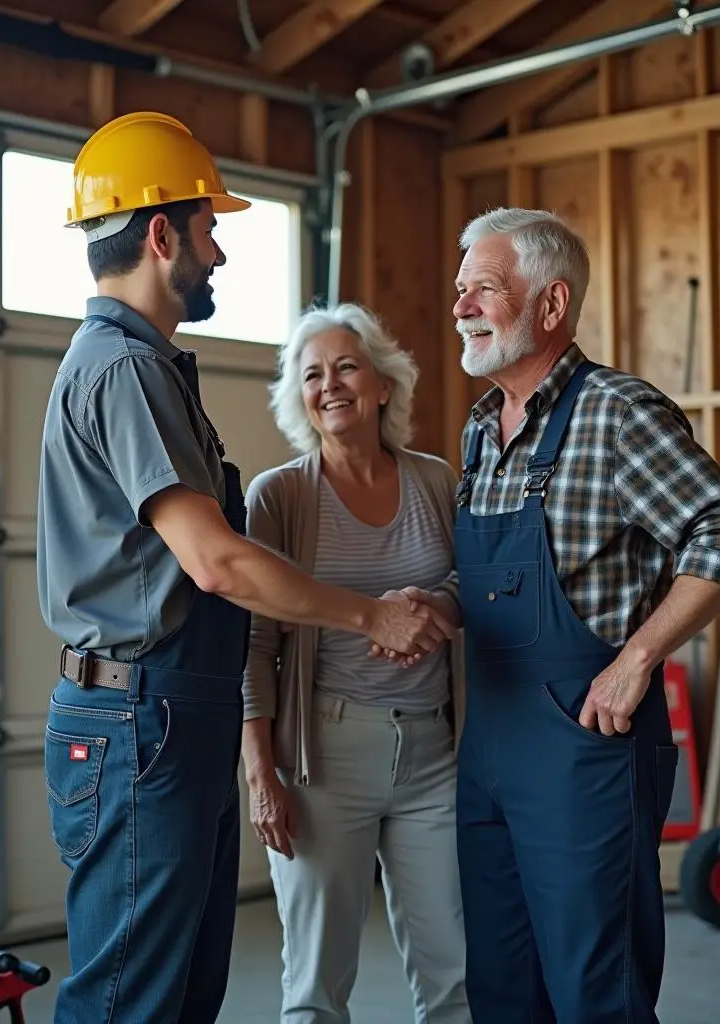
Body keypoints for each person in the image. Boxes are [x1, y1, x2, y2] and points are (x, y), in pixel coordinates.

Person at [35, 112, 454, 1024]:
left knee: (182, 992)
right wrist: (370, 616)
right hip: (138, 717)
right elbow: (216, 562)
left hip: (169, 714)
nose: (217, 253)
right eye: (209, 228)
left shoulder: (149, 366)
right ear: (160, 233)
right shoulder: (121, 370)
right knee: (129, 1001)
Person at [434, 207, 720, 1023]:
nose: (461, 308)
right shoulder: (482, 431)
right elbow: (486, 583)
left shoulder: (617, 414)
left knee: (596, 988)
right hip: (489, 747)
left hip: (585, 747)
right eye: (459, 291)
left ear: (550, 306)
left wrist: (638, 658)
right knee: (503, 987)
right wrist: (433, 603)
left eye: (483, 289)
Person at [241, 303, 472, 1024]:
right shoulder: (279, 496)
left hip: (434, 754)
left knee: (459, 977)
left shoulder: (435, 482)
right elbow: (253, 643)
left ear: (381, 385)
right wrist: (260, 772)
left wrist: (434, 605)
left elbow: (475, 583)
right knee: (315, 987)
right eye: (312, 374)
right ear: (298, 396)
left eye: (346, 366)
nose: (330, 384)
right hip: (322, 761)